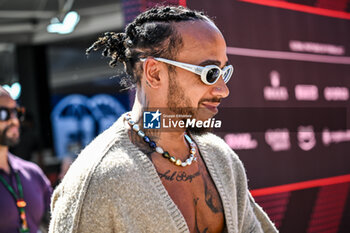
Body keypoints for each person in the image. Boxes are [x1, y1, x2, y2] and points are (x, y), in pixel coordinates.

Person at [49, 6, 278, 233]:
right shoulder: (99, 179)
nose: (222, 89)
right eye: (210, 73)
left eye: (224, 72)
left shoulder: (222, 159)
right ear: (154, 73)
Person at [0, 87, 52, 233]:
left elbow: (60, 219)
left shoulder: (32, 172)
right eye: (3, 113)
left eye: (16, 112)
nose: (14, 120)